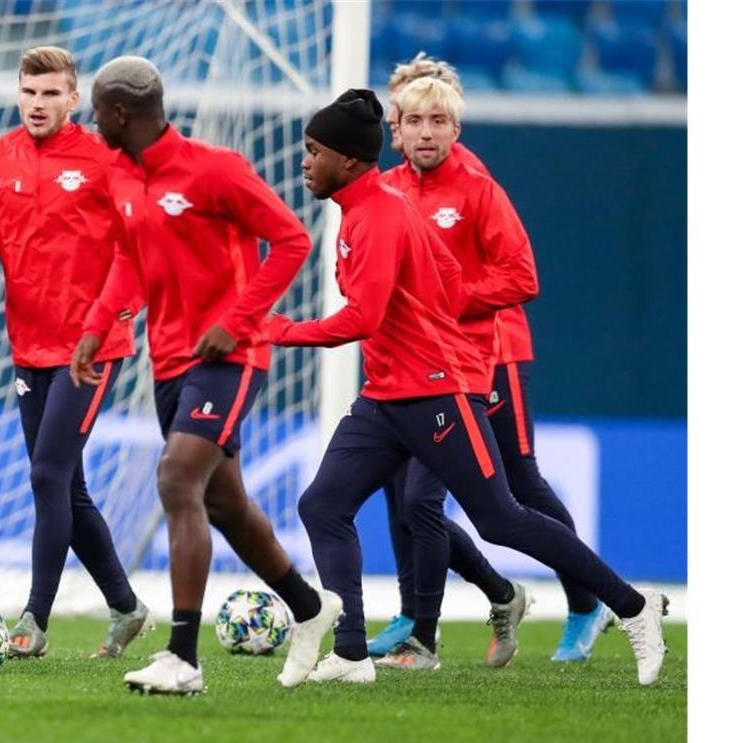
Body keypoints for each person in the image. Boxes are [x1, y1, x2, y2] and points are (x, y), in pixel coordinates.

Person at [266, 87, 668, 686]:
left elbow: (363, 319)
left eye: (313, 150)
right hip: (386, 395)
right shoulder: (378, 205)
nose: (303, 162)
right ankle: (351, 653)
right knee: (323, 504)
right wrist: (431, 308)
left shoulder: (380, 213)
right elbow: (448, 274)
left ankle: (632, 609)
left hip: (435, 394)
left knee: (501, 517)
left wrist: (279, 331)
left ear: (347, 160)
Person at [70, 55, 342, 695]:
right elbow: (129, 262)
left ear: (118, 113)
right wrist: (97, 321)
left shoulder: (214, 170)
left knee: (175, 478)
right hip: (169, 361)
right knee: (224, 502)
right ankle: (308, 607)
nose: (92, 121)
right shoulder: (123, 179)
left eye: (96, 110)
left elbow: (292, 240)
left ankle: (183, 658)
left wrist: (242, 317)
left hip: (229, 358)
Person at [367, 55, 614, 667]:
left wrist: (447, 299)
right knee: (411, 494)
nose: (419, 129)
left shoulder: (471, 181)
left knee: (515, 484)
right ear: (393, 123)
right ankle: (424, 613)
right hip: (418, 360)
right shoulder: (389, 186)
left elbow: (518, 275)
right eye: (406, 115)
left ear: (452, 122)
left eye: (433, 116)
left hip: (490, 357)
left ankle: (585, 601)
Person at [0, 46, 148, 660]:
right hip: (28, 345)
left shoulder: (104, 159)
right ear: (19, 94)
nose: (39, 104)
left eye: (51, 94)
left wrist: (112, 315)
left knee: (46, 474)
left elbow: (138, 246)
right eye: (30, 93)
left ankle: (34, 619)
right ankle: (126, 605)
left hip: (91, 348)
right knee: (67, 487)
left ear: (73, 97)